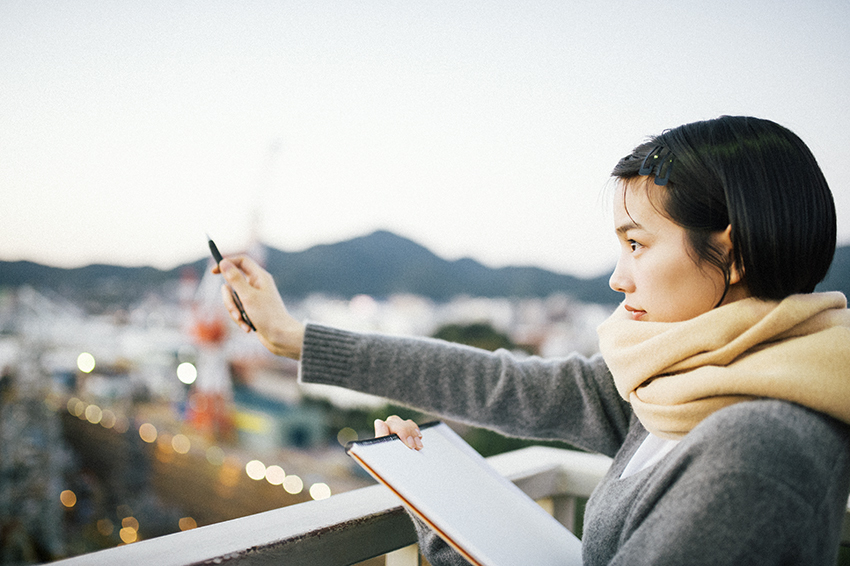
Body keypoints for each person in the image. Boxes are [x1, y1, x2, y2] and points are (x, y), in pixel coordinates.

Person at [214, 115, 850, 565]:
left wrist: (443, 529)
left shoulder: (755, 449)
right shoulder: (682, 384)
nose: (616, 274)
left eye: (637, 243)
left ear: (730, 254)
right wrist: (296, 338)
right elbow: (501, 383)